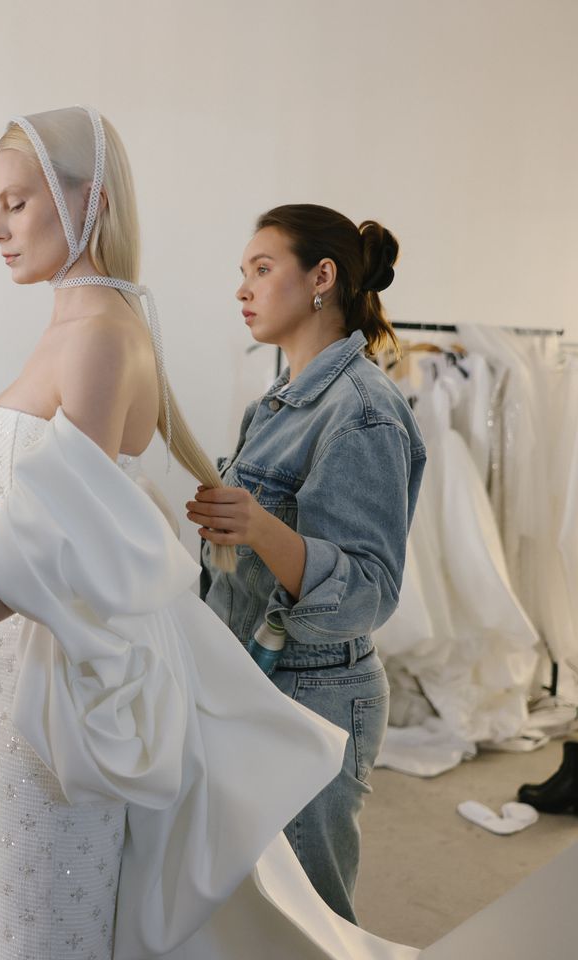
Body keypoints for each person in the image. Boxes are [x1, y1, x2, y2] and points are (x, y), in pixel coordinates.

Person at [0, 109, 415, 958]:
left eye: (15, 204)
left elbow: (36, 570)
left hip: (66, 695)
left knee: (43, 925)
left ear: (87, 201)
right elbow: (39, 544)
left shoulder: (98, 336)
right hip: (40, 680)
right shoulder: (86, 323)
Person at [188, 205, 425, 922]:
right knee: (253, 915)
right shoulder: (277, 406)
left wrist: (259, 528)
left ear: (322, 277)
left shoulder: (363, 412)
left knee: (310, 922)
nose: (243, 289)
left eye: (262, 269)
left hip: (315, 694)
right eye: (243, 272)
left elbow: (369, 592)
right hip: (254, 678)